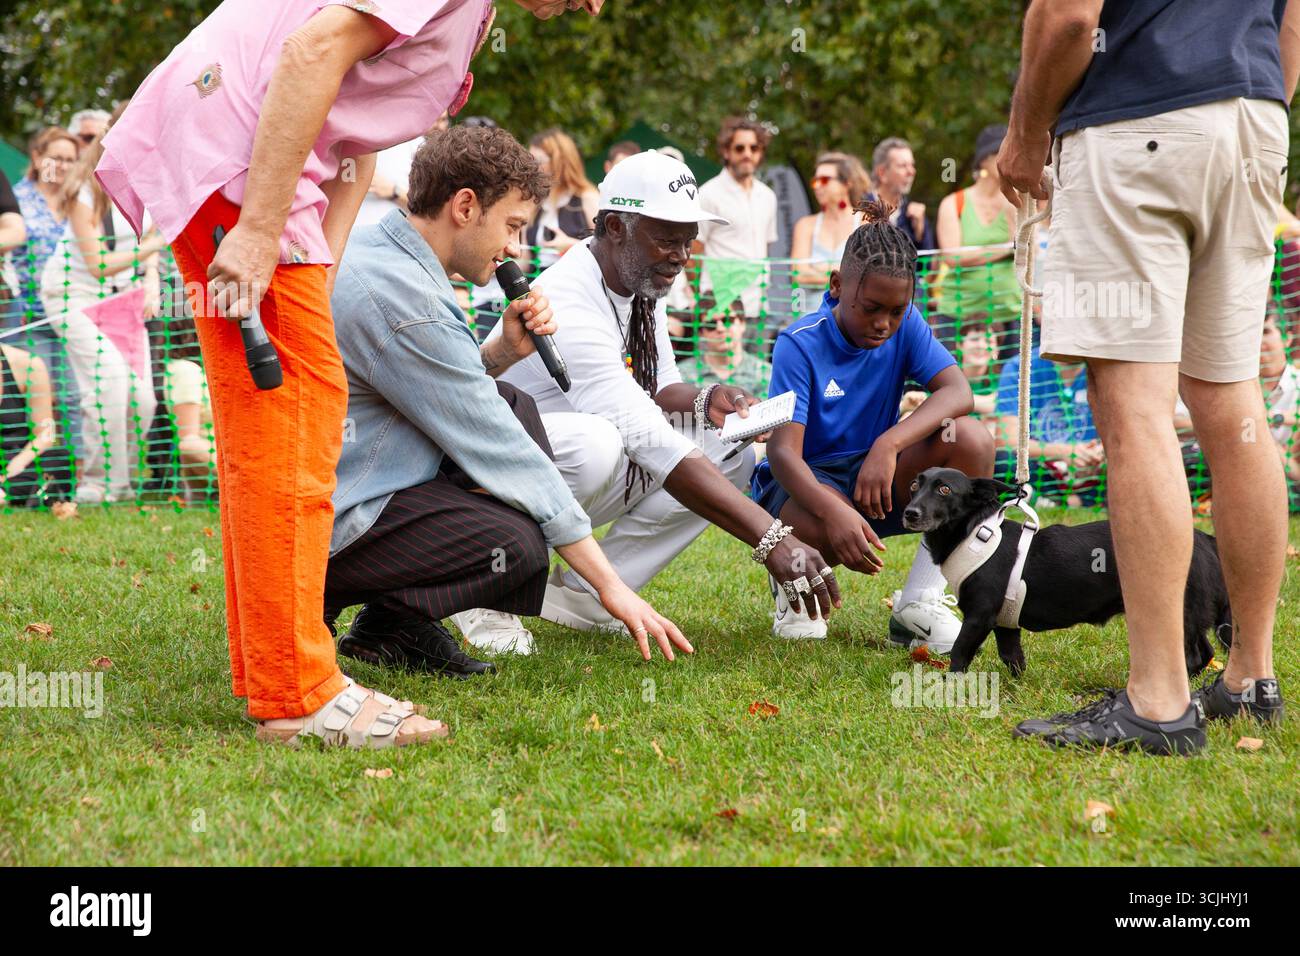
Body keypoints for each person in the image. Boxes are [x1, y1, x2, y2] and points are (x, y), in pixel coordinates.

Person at [95, 0, 608, 751]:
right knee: (290, 434)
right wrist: (265, 227)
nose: (593, 7)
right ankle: (298, 693)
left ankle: (274, 670)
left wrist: (315, 268)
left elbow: (353, 135)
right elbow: (311, 53)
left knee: (279, 426)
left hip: (248, 159)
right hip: (242, 159)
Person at [999, 0, 1296, 754]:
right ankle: (1250, 678)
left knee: (1133, 406)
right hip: (1256, 117)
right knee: (1234, 402)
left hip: (1138, 120)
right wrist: (1256, 107)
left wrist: (1026, 135)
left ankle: (1159, 700)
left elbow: (1069, 16)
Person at [328, 124, 688, 667]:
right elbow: (499, 446)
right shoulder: (410, 303)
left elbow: (434, 387)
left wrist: (500, 353)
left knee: (516, 403)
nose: (514, 248)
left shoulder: (380, 248)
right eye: (513, 226)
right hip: (336, 518)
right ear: (466, 207)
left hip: (348, 474)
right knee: (517, 542)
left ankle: (392, 626)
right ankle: (369, 614)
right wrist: (610, 586)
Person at [457, 149, 841, 651]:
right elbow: (645, 433)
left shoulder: (638, 281)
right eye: (666, 238)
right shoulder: (570, 294)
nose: (682, 255)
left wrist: (709, 398)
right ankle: (483, 590)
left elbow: (658, 387)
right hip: (496, 474)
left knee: (730, 449)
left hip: (570, 466)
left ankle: (584, 595)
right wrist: (773, 538)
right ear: (616, 227)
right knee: (602, 443)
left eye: (688, 240)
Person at [755, 199, 994, 644]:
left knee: (971, 441)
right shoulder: (798, 343)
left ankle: (917, 604)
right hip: (805, 486)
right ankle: (797, 584)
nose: (884, 323)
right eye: (871, 308)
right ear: (837, 285)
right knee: (818, 526)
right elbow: (783, 453)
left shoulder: (907, 325)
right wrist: (835, 512)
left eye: (897, 310)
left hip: (873, 476)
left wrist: (887, 445)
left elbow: (960, 391)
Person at [42, 112, 164, 505]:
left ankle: (123, 486)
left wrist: (151, 279)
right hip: (71, 293)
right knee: (108, 382)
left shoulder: (147, 185)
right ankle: (97, 485)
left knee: (143, 400)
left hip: (120, 296)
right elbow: (98, 264)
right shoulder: (83, 190)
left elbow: (147, 241)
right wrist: (156, 246)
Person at [6, 128, 82, 461]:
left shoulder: (79, 203)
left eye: (70, 160)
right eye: (56, 158)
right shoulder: (17, 198)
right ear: (37, 158)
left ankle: (77, 473)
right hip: (28, 313)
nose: (63, 166)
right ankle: (25, 468)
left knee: (73, 395)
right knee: (37, 393)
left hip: (72, 312)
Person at [930, 125, 1021, 355]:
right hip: (957, 314)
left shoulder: (1016, 201)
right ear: (983, 160)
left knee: (1010, 387)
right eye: (1003, 151)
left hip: (1009, 312)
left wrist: (977, 253)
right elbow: (951, 258)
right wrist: (1005, 249)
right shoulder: (954, 203)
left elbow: (1026, 250)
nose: (1011, 158)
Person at [695, 117, 779, 320]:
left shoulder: (768, 196)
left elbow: (765, 249)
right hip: (720, 309)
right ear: (726, 151)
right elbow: (693, 252)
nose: (747, 154)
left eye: (754, 148)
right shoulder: (708, 194)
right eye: (740, 148)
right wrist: (701, 297)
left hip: (758, 306)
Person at [0, 342, 73, 508]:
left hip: (15, 460)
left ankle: (5, 492)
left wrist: (18, 463)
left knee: (59, 457)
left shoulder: (28, 364)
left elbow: (45, 434)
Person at [789, 152, 870, 290]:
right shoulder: (805, 225)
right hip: (813, 310)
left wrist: (819, 271)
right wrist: (843, 274)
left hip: (850, 311)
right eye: (815, 181)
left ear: (846, 183)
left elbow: (867, 275)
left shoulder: (866, 222)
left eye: (825, 180)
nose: (817, 186)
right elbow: (798, 275)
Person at [526, 128, 599, 269]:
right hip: (538, 285)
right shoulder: (534, 202)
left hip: (578, 285)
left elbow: (610, 250)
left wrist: (572, 246)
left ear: (560, 161)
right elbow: (525, 260)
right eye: (530, 161)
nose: (532, 168)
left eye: (539, 161)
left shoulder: (587, 198)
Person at [675, 293, 772, 398]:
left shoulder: (766, 374)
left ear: (742, 323)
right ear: (701, 332)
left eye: (727, 320)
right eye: (711, 324)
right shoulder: (681, 376)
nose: (720, 329)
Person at [868, 137, 935, 252]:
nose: (911, 171)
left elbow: (927, 267)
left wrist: (920, 234)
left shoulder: (914, 214)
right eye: (903, 166)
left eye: (912, 165)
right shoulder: (859, 210)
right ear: (882, 173)